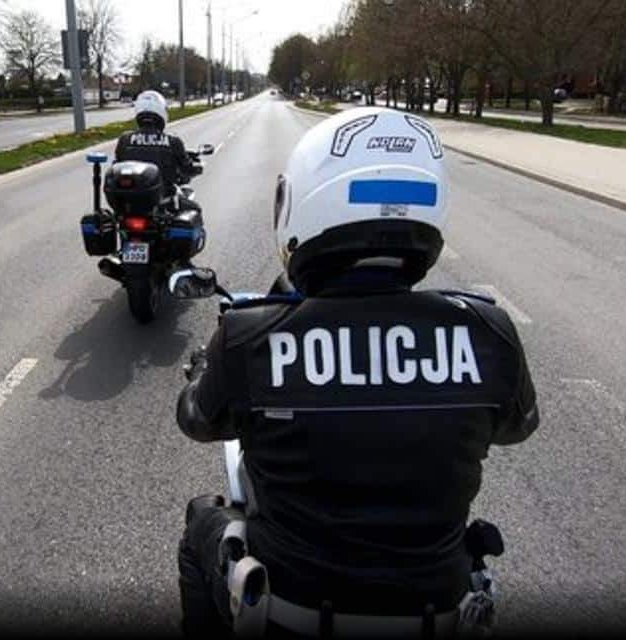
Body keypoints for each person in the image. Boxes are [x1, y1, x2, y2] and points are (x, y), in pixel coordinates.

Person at [175, 107, 539, 637]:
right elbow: (517, 426)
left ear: (305, 201)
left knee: (200, 527)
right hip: (438, 607)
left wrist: (207, 366)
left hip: (286, 610)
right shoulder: (488, 330)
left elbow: (197, 420)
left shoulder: (248, 337)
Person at [114, 90, 200, 213]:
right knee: (195, 209)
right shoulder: (173, 141)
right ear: (162, 113)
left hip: (129, 203)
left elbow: (117, 165)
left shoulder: (125, 139)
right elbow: (187, 168)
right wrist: (196, 168)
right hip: (163, 201)